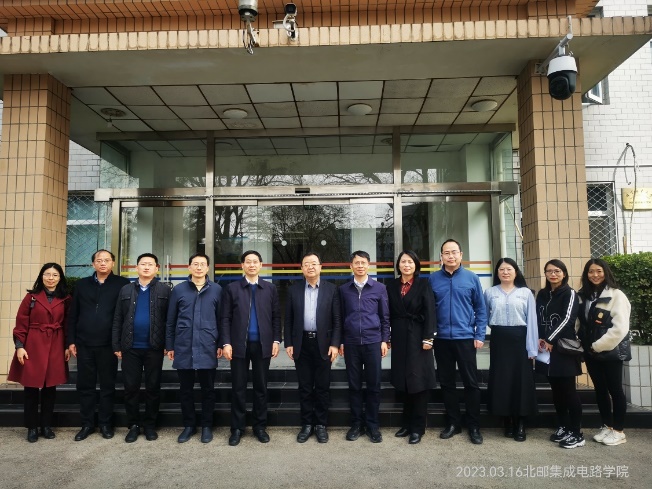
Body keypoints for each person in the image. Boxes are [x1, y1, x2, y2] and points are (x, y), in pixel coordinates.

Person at [428, 239, 487, 445]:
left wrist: (480, 335)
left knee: (471, 383)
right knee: (447, 383)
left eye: (454, 252)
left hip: (465, 339)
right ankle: (453, 423)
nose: (450, 256)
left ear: (461, 255)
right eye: (446, 253)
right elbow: (429, 310)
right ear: (441, 256)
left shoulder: (471, 278)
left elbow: (480, 309)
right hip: (442, 339)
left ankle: (474, 425)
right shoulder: (433, 279)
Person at [220, 250, 281, 446]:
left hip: (263, 345)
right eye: (248, 262)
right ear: (242, 265)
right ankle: (237, 428)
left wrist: (276, 340)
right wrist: (226, 342)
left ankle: (259, 427)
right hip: (238, 345)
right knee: (238, 387)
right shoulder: (232, 288)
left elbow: (276, 317)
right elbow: (225, 318)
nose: (252, 265)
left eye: (255, 262)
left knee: (260, 387)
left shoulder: (270, 288)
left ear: (261, 265)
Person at [68, 250, 129, 441]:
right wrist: (71, 340)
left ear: (113, 263)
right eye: (99, 260)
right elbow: (73, 314)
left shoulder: (122, 284)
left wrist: (120, 343)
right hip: (84, 344)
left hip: (108, 344)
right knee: (85, 386)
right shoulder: (82, 285)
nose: (103, 263)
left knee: (107, 386)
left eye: (107, 260)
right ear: (93, 264)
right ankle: (87, 424)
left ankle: (105, 424)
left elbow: (125, 315)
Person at [8, 263, 71, 442]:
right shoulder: (31, 297)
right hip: (33, 345)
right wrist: (20, 346)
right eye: (47, 274)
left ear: (60, 278)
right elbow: (21, 323)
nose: (51, 278)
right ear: (41, 276)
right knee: (31, 388)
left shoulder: (66, 298)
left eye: (55, 275)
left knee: (50, 388)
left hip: (56, 344)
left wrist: (67, 345)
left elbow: (68, 324)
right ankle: (32, 427)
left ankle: (46, 426)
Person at [112, 253, 171, 443]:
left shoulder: (165, 290)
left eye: (150, 264)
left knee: (153, 387)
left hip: (154, 347)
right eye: (143, 264)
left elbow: (169, 320)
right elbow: (118, 319)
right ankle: (133, 425)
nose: (146, 267)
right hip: (130, 347)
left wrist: (168, 344)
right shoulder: (126, 290)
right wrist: (116, 344)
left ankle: (150, 425)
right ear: (136, 268)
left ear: (157, 268)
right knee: (131, 388)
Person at [285, 252, 342, 443]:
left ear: (320, 267)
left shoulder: (332, 289)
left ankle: (321, 425)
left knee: (322, 387)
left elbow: (337, 320)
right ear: (301, 268)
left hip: (324, 345)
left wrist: (335, 344)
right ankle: (307, 424)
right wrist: (289, 343)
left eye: (314, 264)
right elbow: (289, 319)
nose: (310, 267)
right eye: (306, 264)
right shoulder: (293, 290)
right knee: (305, 387)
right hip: (301, 343)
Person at [166, 253, 222, 444]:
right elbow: (170, 320)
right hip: (184, 346)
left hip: (207, 345)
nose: (199, 267)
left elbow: (222, 319)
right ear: (189, 267)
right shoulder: (179, 290)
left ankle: (207, 426)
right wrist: (170, 345)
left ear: (208, 268)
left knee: (208, 389)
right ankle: (189, 425)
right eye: (195, 264)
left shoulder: (216, 290)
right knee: (185, 390)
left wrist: (221, 343)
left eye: (202, 264)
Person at [578, 258, 631, 446]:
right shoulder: (584, 295)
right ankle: (607, 426)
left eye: (599, 271)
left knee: (615, 389)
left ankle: (619, 430)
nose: (595, 275)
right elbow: (580, 323)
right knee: (600, 389)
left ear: (605, 272)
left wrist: (597, 346)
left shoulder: (616, 295)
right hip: (591, 351)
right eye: (591, 271)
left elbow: (620, 328)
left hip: (610, 351)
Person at [484, 258, 538, 442]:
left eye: (509, 269)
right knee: (502, 380)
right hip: (499, 339)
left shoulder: (525, 293)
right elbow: (485, 316)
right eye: (501, 269)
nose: (505, 272)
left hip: (520, 340)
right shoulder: (490, 292)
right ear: (497, 273)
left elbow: (532, 321)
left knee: (521, 381)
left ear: (516, 272)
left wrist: (532, 348)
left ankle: (520, 423)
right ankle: (506, 420)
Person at [339, 250, 390, 444]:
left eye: (363, 262)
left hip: (373, 342)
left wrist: (384, 340)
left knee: (373, 385)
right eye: (356, 263)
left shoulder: (379, 288)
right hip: (351, 343)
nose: (360, 266)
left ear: (369, 265)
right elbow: (340, 318)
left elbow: (385, 317)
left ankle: (373, 425)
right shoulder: (343, 290)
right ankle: (356, 424)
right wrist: (341, 341)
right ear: (351, 266)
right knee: (354, 386)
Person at [387, 251, 437, 445]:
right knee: (404, 382)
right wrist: (387, 336)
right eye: (403, 261)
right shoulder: (391, 285)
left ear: (416, 265)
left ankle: (418, 428)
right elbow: (387, 313)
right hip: (399, 336)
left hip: (418, 336)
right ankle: (406, 424)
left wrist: (428, 338)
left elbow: (430, 311)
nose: (406, 265)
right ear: (398, 265)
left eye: (410, 261)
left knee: (418, 382)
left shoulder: (424, 284)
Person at [535, 259, 582, 449]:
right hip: (545, 350)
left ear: (564, 273)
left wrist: (549, 339)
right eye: (549, 271)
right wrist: (539, 338)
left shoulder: (569, 293)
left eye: (557, 271)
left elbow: (567, 319)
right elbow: (537, 318)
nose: (553, 274)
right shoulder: (542, 294)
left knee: (569, 391)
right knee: (556, 391)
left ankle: (577, 433)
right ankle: (563, 426)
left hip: (563, 349)